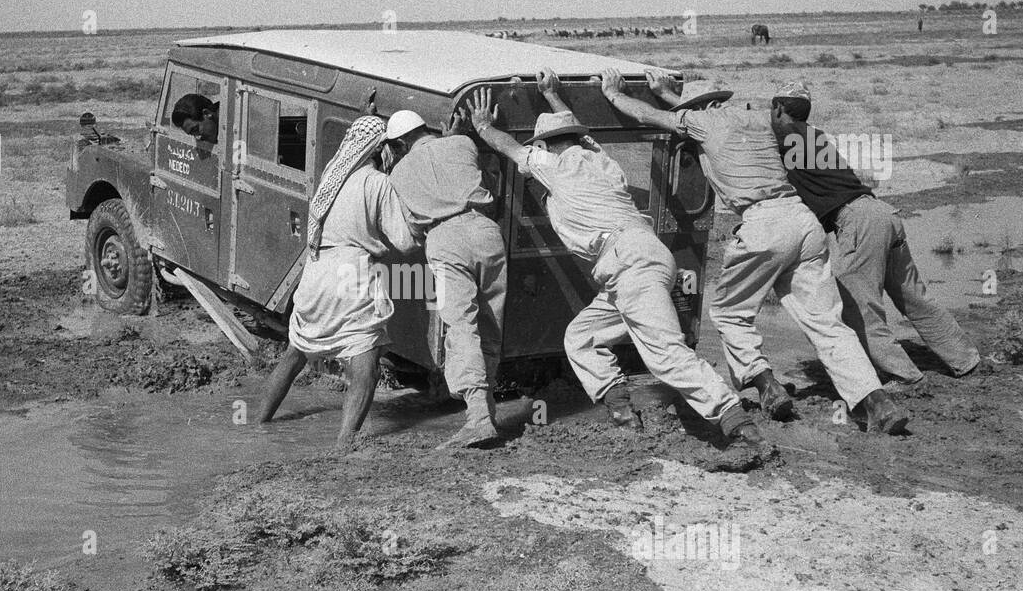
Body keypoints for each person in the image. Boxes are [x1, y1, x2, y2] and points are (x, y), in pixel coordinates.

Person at [598, 69, 910, 435]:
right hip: (803, 223)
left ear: (697, 108)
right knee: (827, 323)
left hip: (764, 223)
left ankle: (766, 385)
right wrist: (669, 93)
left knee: (729, 312)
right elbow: (696, 113)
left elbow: (647, 116)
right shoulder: (758, 119)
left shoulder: (703, 122)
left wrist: (614, 94)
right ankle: (876, 401)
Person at [465, 73, 766, 450]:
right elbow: (584, 134)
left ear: (549, 145)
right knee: (581, 338)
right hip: (639, 257)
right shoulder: (602, 162)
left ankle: (734, 418)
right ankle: (621, 410)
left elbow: (511, 150)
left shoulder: (557, 165)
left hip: (627, 263)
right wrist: (552, 96)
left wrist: (482, 127)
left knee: (665, 354)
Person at [771, 81, 980, 383]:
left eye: (771, 109)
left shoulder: (787, 136)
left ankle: (905, 377)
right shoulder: (815, 137)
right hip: (881, 213)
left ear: (778, 108)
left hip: (858, 221)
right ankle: (966, 360)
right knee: (914, 299)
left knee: (858, 307)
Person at [255, 116, 417, 446]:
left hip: (315, 272)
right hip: (351, 272)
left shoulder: (333, 175)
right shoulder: (376, 182)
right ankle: (345, 443)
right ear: (381, 149)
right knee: (364, 364)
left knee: (295, 355)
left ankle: (257, 423)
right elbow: (405, 241)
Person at [386, 109, 506, 448]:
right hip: (486, 231)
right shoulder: (463, 143)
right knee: (489, 322)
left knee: (461, 324)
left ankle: (479, 418)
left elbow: (410, 232)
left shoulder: (398, 172)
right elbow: (465, 157)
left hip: (445, 237)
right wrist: (453, 135)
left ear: (399, 143)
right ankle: (487, 409)